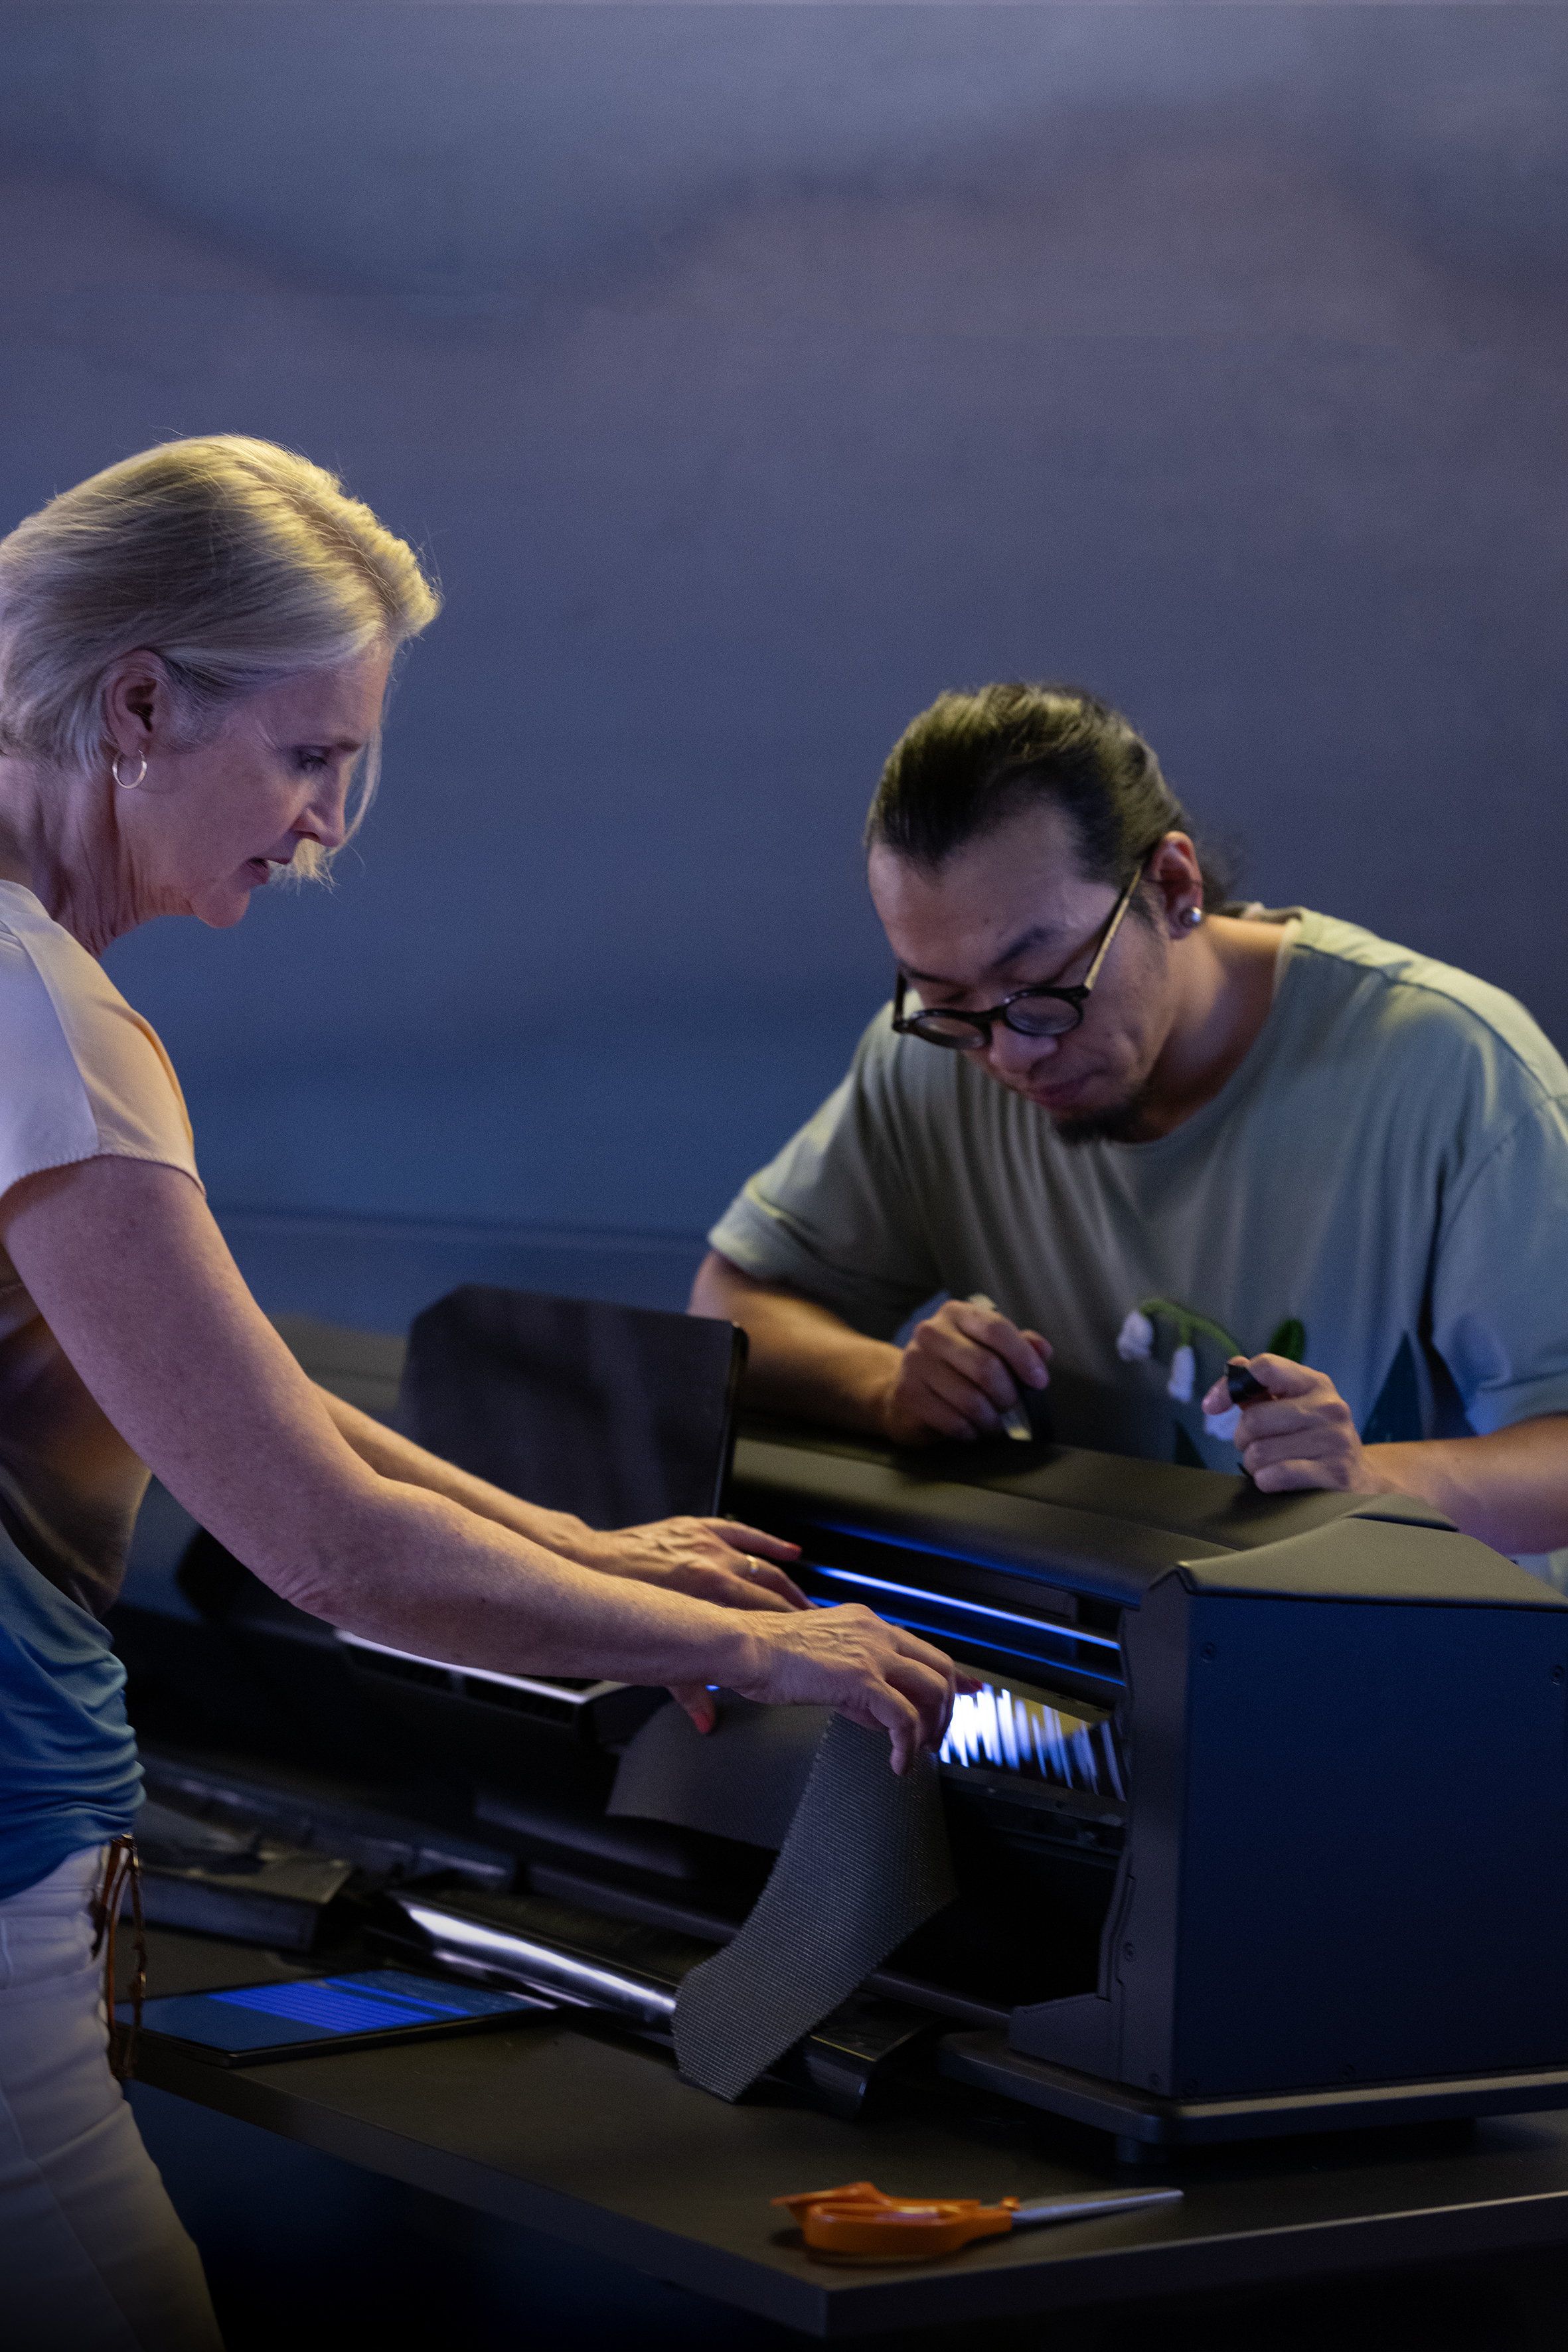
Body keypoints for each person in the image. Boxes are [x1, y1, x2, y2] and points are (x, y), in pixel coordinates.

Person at [0, 437, 962, 2351]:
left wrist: (576, 1545)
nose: (322, 827)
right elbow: (328, 1549)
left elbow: (216, 1393)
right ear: (140, 703)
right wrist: (760, 1652)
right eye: (308, 756)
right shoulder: (40, 1020)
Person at [692, 682, 1568, 1564]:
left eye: (1044, 987)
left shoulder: (1455, 1068)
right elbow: (730, 1306)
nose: (1010, 1053)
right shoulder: (930, 1059)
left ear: (1173, 887)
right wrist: (888, 1389)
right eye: (944, 997)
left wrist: (1370, 1484)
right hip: (1091, 1627)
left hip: (1407, 1631)